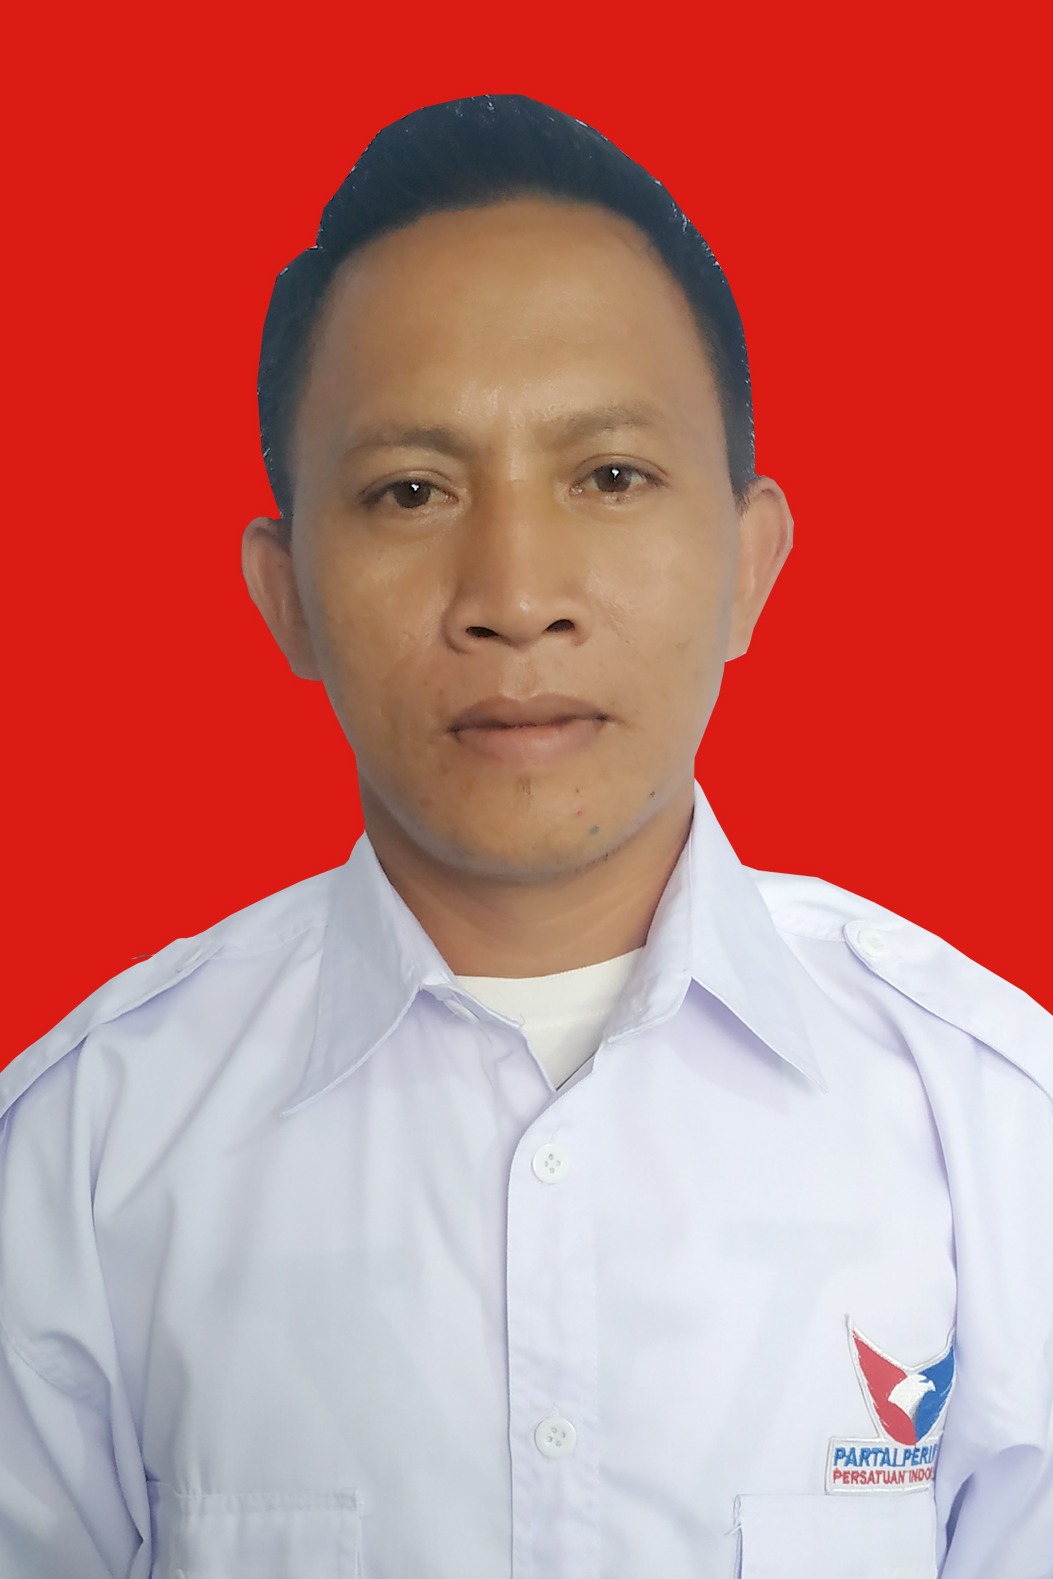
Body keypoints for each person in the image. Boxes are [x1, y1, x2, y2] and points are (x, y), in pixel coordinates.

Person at [0, 93, 1049, 1579]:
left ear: (748, 565)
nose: (513, 594)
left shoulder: (999, 1133)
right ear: (286, 594)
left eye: (609, 477)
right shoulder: (80, 1158)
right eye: (411, 491)